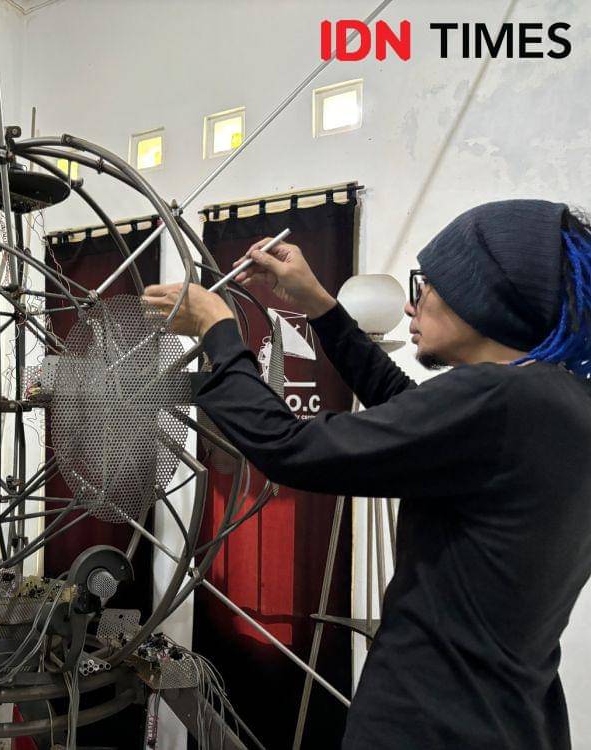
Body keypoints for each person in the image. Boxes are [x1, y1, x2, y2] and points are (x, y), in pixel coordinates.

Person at [141, 199, 591, 749]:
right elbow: (407, 410)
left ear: (483, 295)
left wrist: (218, 331)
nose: (411, 304)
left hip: (431, 724)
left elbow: (287, 447)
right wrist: (320, 306)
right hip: (512, 719)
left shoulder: (502, 402)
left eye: (428, 286)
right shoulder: (560, 401)